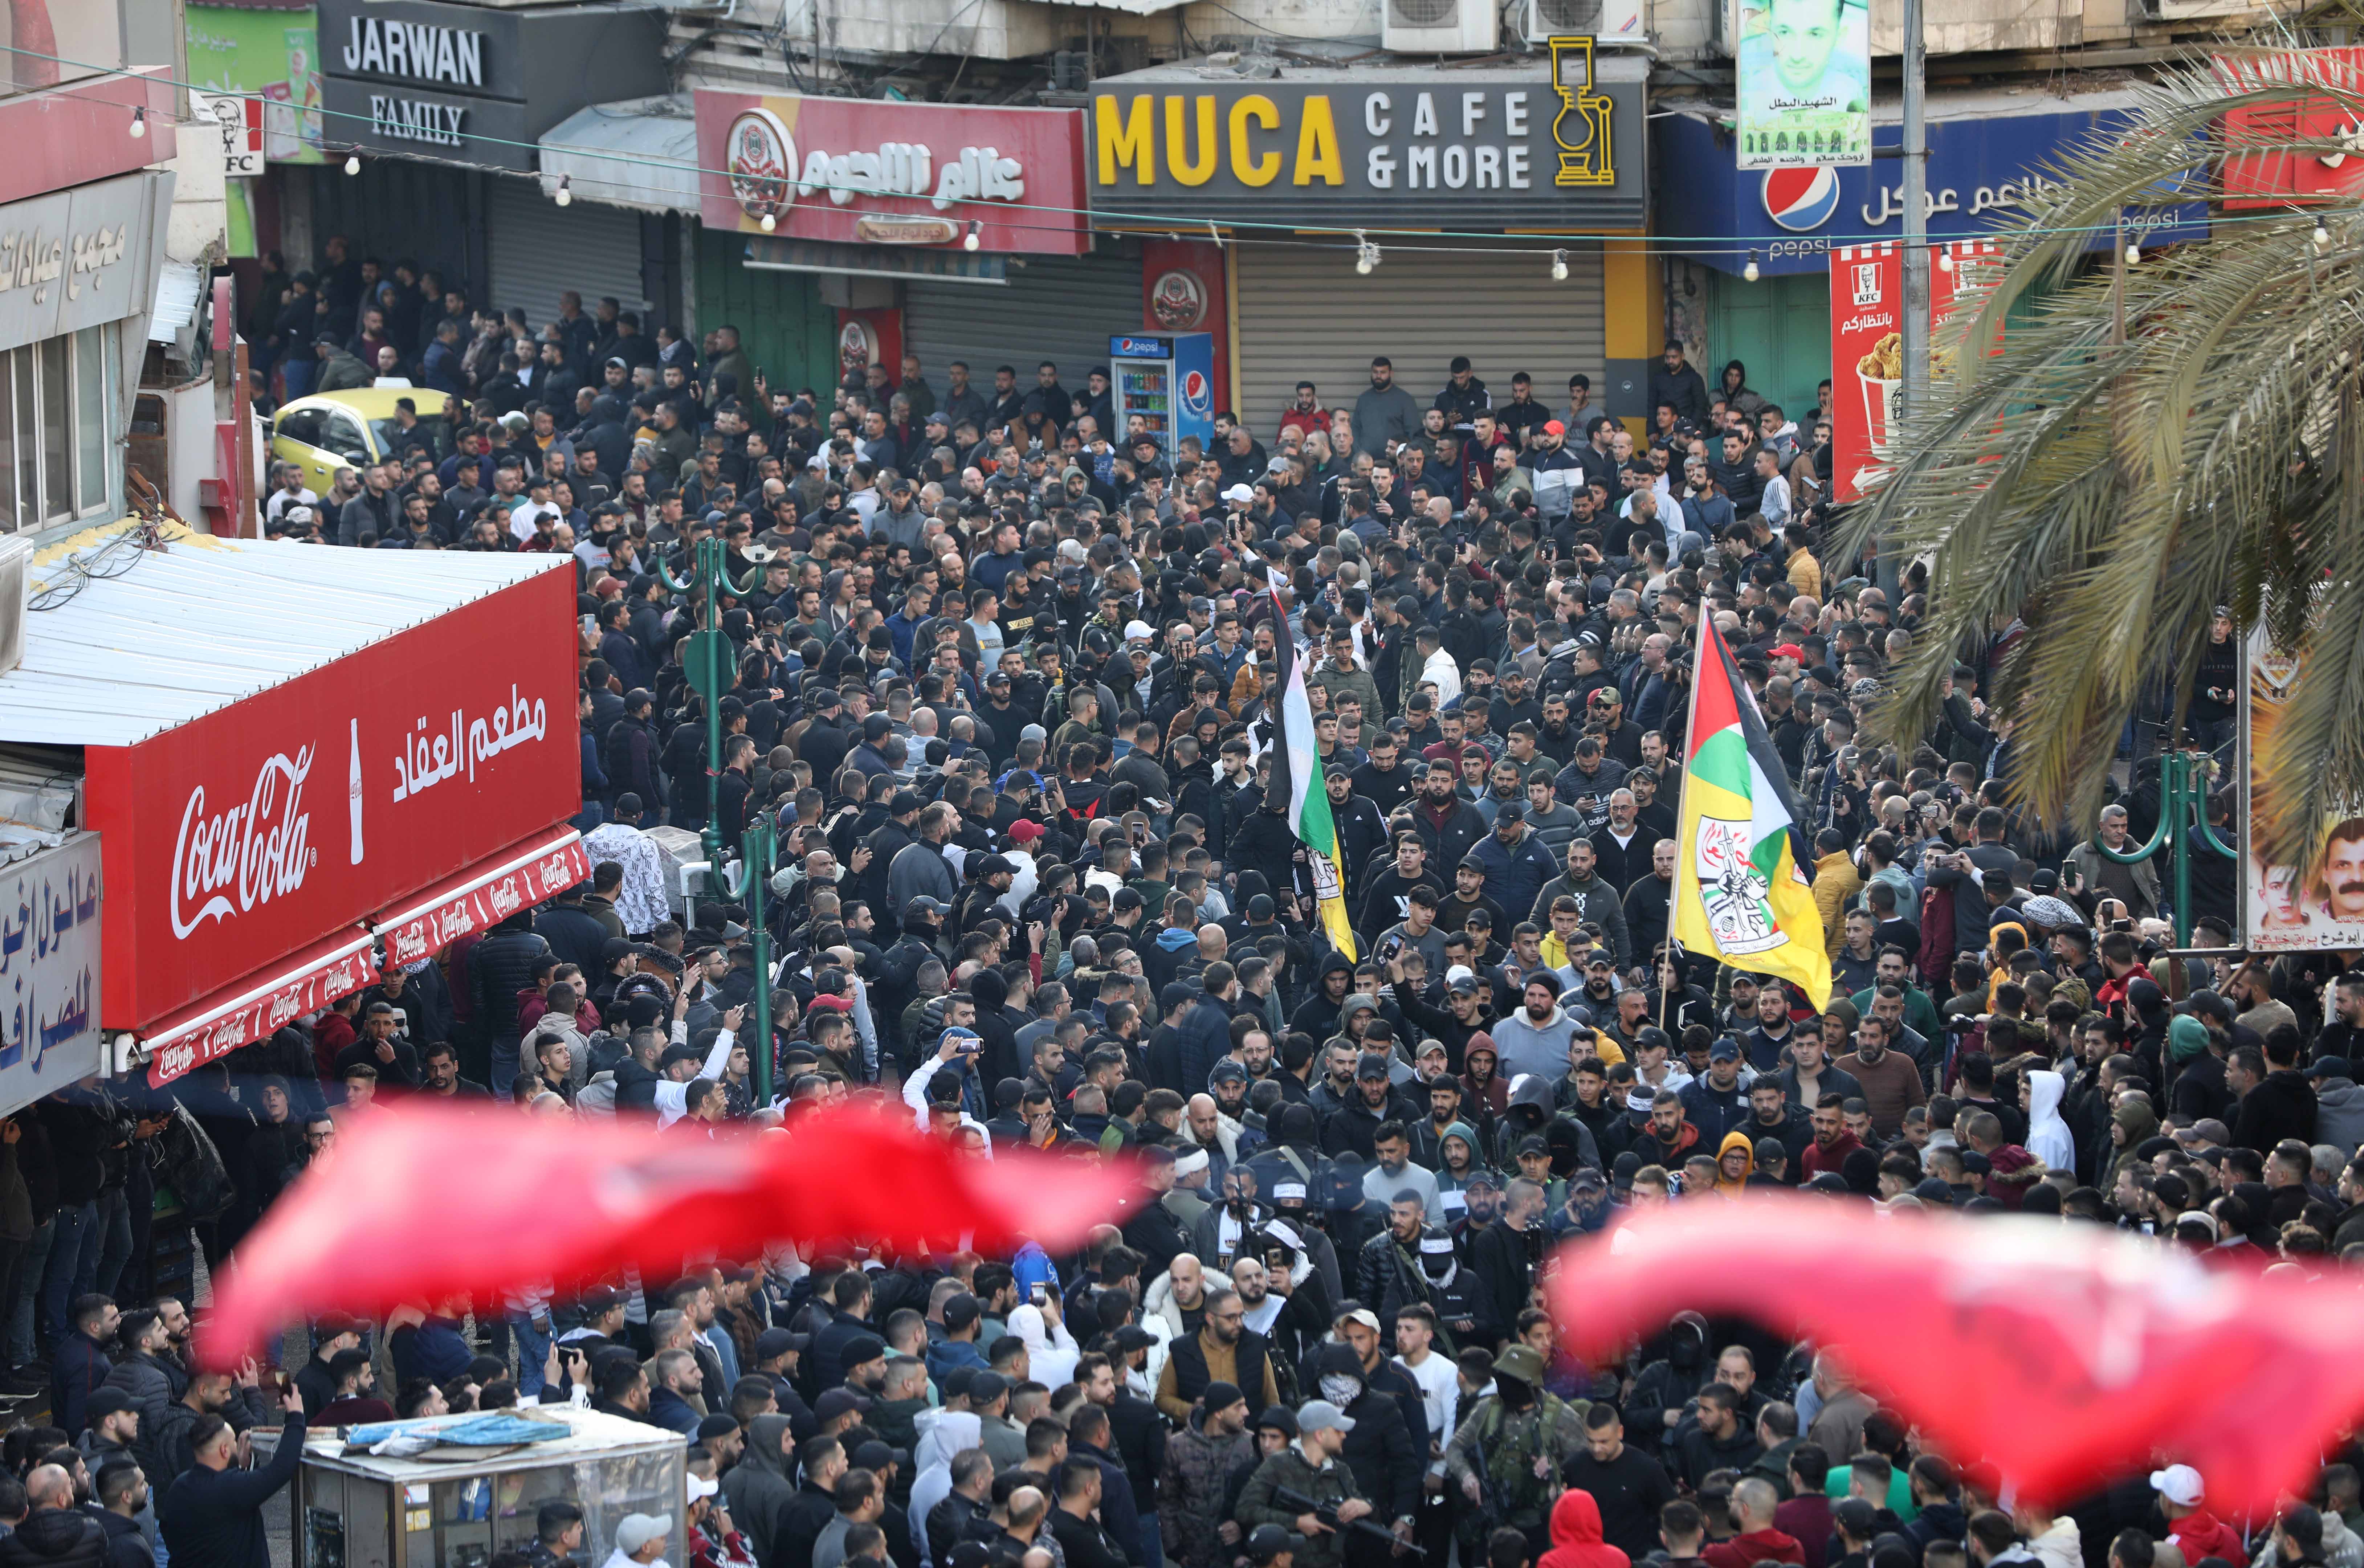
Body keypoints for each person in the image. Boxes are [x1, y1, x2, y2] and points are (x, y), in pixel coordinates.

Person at [157, 1388, 306, 1568]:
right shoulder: (230, 1489)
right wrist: (297, 1417)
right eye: (234, 1442)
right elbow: (281, 1469)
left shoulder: (179, 1488)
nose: (238, 1446)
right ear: (225, 1450)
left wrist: (240, 1468)